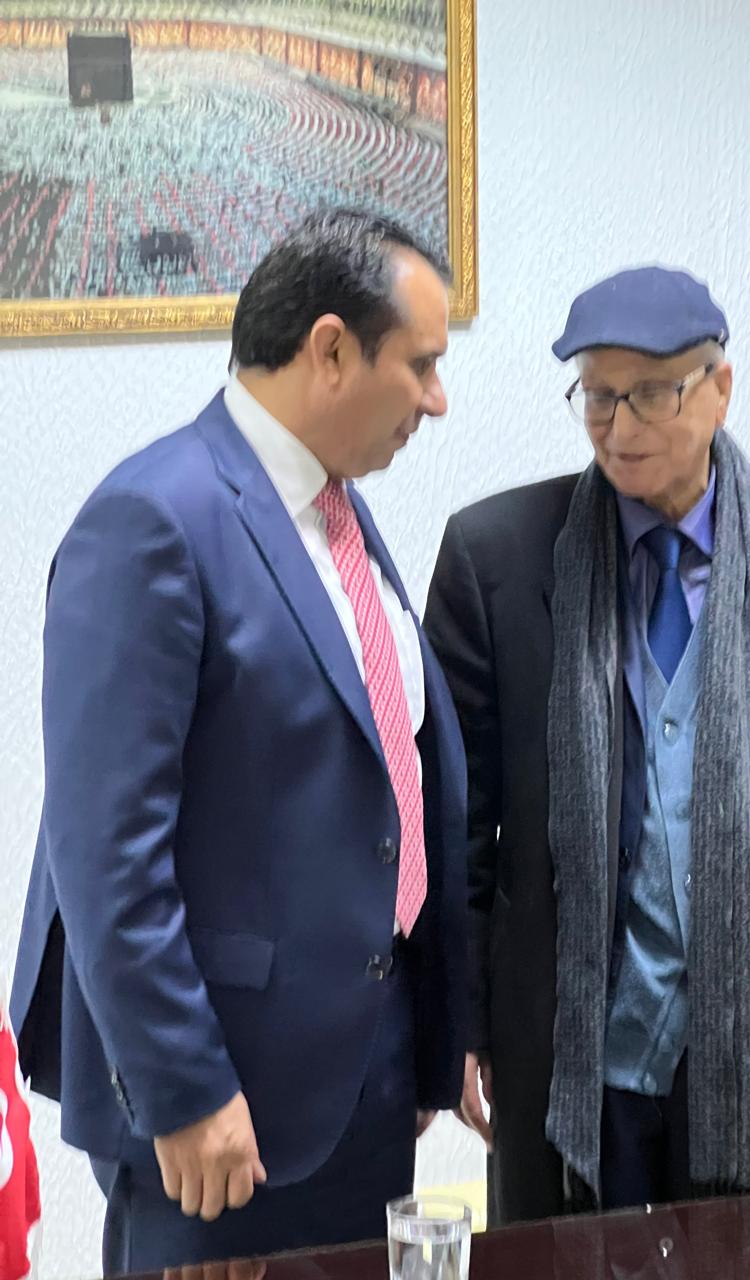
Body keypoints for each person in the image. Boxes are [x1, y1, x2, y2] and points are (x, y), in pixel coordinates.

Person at [10, 208, 466, 1273]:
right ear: (331, 350)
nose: (438, 400)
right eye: (422, 364)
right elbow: (105, 853)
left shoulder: (334, 513)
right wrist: (185, 1089)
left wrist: (426, 1041)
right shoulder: (153, 519)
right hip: (224, 1108)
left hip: (358, 1081)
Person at [424, 266, 750, 1223]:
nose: (619, 426)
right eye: (598, 397)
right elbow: (459, 820)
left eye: (651, 393)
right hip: (570, 1050)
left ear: (720, 389)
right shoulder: (497, 556)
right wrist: (460, 1020)